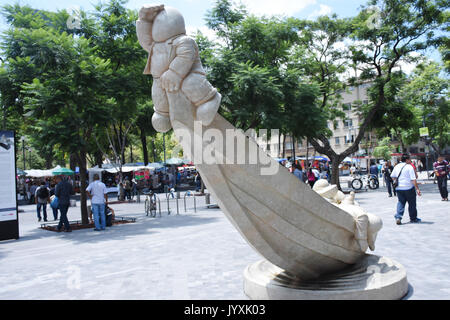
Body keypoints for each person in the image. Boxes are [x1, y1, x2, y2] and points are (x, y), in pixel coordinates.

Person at [391, 154, 422, 225]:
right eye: (410, 159)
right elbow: (413, 179)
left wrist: (399, 180)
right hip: (409, 188)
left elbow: (392, 176)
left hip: (399, 188)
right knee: (412, 203)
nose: (410, 160)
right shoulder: (409, 167)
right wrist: (417, 189)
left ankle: (398, 217)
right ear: (407, 160)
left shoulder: (397, 166)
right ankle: (413, 218)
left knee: (401, 202)